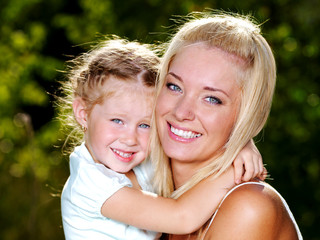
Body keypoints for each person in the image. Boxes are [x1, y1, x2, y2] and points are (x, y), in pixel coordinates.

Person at [59, 37, 266, 240]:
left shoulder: (141, 160)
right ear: (83, 113)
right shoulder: (90, 184)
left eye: (144, 125)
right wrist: (234, 172)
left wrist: (241, 143)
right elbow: (182, 217)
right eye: (117, 121)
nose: (130, 138)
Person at [149, 12, 303, 239]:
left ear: (245, 116)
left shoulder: (248, 207)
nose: (181, 112)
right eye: (174, 87)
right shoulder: (144, 186)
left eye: (212, 99)